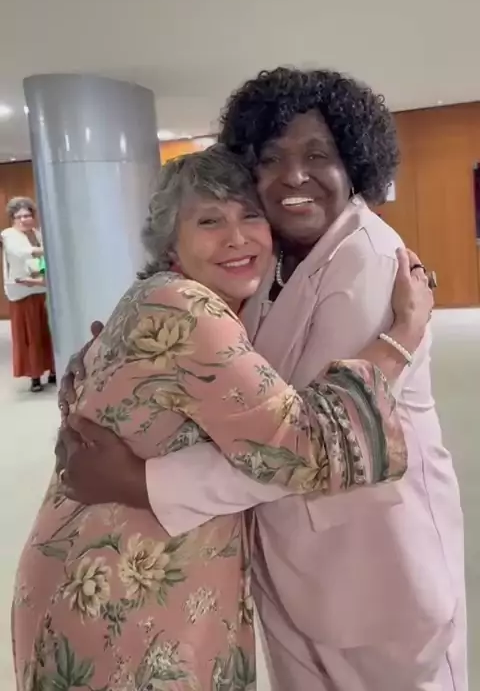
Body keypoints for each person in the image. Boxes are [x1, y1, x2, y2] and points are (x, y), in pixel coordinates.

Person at [58, 68, 466, 691]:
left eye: (318, 155)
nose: (293, 176)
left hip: (369, 564)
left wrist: (141, 483)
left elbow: (298, 443)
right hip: (287, 560)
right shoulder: (269, 255)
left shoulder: (364, 261)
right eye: (272, 158)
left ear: (355, 163)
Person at [1, 196, 55, 392]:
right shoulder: (8, 235)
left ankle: (53, 370)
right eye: (19, 216)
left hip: (42, 289)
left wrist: (42, 276)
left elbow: (42, 263)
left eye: (27, 215)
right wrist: (50, 249)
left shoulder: (37, 233)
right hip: (22, 293)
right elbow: (23, 253)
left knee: (47, 333)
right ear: (13, 218)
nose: (24, 220)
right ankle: (34, 376)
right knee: (29, 335)